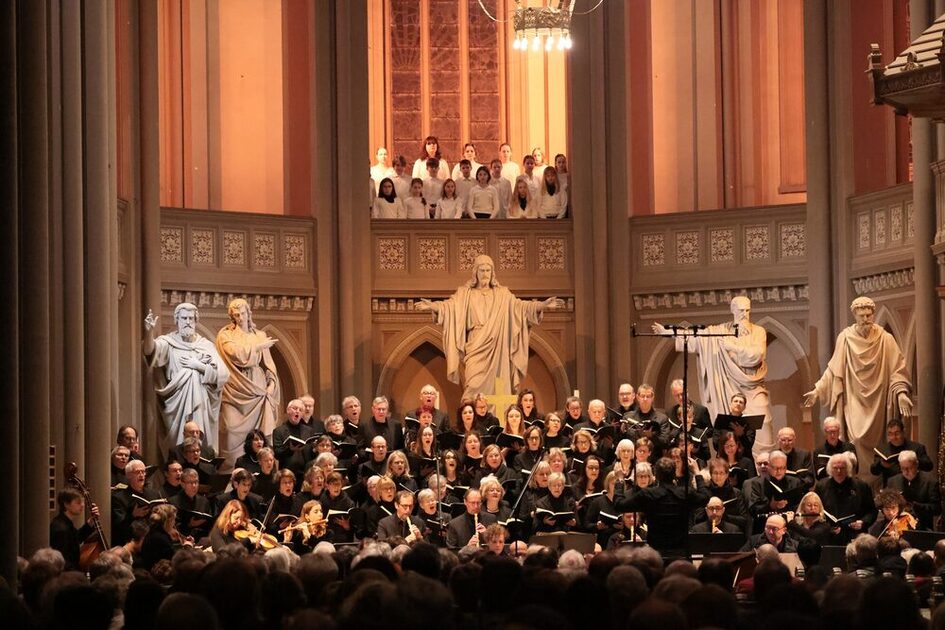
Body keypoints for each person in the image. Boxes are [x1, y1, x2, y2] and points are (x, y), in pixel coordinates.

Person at [416, 255, 558, 400]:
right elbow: (449, 308)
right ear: (475, 273)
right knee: (472, 384)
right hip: (475, 342)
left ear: (492, 273)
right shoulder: (465, 294)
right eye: (482, 270)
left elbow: (522, 308)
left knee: (499, 388)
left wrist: (543, 305)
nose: (485, 274)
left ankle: (499, 414)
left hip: (498, 346)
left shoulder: (503, 295)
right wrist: (432, 306)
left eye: (488, 270)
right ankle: (471, 413)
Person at [804, 296, 913, 470]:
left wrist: (901, 393)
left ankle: (878, 480)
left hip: (879, 401)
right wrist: (817, 390)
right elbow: (833, 370)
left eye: (869, 315)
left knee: (881, 442)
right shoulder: (845, 338)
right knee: (856, 439)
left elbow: (897, 369)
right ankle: (856, 477)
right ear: (854, 315)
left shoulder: (886, 339)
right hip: (854, 398)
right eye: (861, 316)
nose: (865, 319)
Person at [654, 296, 773, 454]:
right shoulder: (719, 333)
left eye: (747, 310)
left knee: (764, 427)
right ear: (733, 310)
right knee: (727, 430)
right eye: (740, 310)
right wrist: (670, 332)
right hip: (728, 385)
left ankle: (762, 463)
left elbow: (757, 355)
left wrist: (733, 347)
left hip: (753, 387)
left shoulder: (758, 331)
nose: (744, 314)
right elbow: (697, 337)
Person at [144, 303, 230, 455]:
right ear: (176, 320)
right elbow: (150, 352)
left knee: (200, 444)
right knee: (178, 447)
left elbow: (223, 374)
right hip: (177, 402)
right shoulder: (168, 342)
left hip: (201, 402)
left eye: (191, 318)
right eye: (184, 318)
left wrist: (199, 366)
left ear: (196, 321)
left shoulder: (206, 345)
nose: (188, 322)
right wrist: (149, 332)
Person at [215, 298, 281, 465]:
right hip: (235, 387)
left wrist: (272, 384)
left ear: (248, 313)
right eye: (236, 315)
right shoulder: (226, 335)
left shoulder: (259, 335)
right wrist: (258, 347)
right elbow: (236, 354)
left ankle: (260, 467)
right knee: (229, 429)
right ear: (232, 317)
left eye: (243, 313)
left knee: (259, 434)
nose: (240, 317)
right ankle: (231, 470)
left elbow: (269, 364)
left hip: (257, 388)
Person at [614, 457, 709, 557]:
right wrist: (697, 473)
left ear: (656, 475)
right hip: (680, 552)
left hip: (656, 553)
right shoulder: (685, 493)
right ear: (674, 474)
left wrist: (620, 480)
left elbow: (619, 505)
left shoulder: (648, 494)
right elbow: (705, 497)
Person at [814, 453, 875, 543]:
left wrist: (863, 522)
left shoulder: (861, 486)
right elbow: (815, 511)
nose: (839, 471)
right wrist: (825, 527)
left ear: (848, 469)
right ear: (830, 469)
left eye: (842, 468)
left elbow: (872, 511)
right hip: (829, 535)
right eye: (835, 468)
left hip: (854, 534)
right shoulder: (821, 486)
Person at [111, 459, 164, 546]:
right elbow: (118, 526)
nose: (141, 475)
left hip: (153, 537)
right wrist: (133, 515)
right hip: (132, 540)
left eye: (143, 472)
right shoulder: (119, 498)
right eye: (137, 472)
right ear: (128, 475)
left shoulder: (153, 494)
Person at [886, 450, 941, 530]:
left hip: (922, 528)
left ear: (916, 464)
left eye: (909, 468)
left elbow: (937, 509)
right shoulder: (892, 481)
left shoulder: (930, 482)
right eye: (903, 468)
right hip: (897, 528)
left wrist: (916, 506)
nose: (906, 472)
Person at [869, 418, 934, 485]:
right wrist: (881, 465)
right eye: (890, 434)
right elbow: (874, 471)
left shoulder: (917, 447)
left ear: (903, 432)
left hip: (915, 485)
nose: (894, 437)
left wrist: (913, 460)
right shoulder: (882, 450)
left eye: (897, 433)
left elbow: (929, 466)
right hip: (892, 486)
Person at [50, 488, 101, 570]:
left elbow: (76, 538)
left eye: (83, 502)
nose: (82, 505)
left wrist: (91, 522)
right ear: (66, 504)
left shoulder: (65, 523)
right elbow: (63, 560)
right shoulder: (60, 528)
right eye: (78, 502)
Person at [138, 504, 191, 571]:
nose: (174, 523)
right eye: (174, 519)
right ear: (169, 520)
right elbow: (177, 562)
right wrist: (187, 546)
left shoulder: (154, 531)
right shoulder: (160, 538)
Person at [272, 399, 316, 479]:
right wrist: (289, 450)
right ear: (288, 410)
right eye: (295, 408)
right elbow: (277, 454)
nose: (297, 411)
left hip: (306, 473)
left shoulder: (309, 431)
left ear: (302, 414)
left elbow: (311, 453)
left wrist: (316, 449)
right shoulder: (278, 431)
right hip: (287, 473)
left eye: (300, 410)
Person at [169, 468, 214, 541]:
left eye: (196, 482)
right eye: (190, 482)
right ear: (183, 484)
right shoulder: (173, 502)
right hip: (182, 539)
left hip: (201, 538)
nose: (194, 485)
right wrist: (190, 525)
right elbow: (172, 526)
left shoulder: (204, 501)